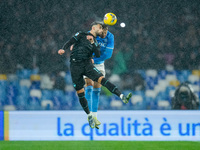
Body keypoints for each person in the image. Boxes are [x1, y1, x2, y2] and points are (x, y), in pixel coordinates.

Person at [58, 21, 132, 128]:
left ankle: (120, 97)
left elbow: (100, 53)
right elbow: (71, 41)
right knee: (84, 89)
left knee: (100, 84)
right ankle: (90, 115)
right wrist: (64, 48)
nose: (102, 31)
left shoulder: (102, 39)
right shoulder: (82, 34)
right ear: (94, 27)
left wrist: (93, 50)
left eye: (103, 29)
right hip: (77, 65)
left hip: (91, 63)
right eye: (101, 28)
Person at [84, 24, 114, 129]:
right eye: (102, 32)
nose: (103, 34)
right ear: (99, 30)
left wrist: (95, 60)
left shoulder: (110, 37)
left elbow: (108, 55)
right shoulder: (91, 34)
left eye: (105, 33)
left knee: (97, 88)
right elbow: (81, 38)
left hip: (99, 62)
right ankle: (89, 115)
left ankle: (94, 116)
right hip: (88, 61)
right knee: (89, 84)